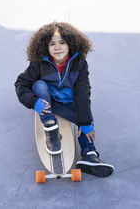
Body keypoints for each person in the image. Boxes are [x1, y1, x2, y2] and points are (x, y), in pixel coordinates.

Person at [14, 22, 114, 177]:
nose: (57, 47)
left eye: (62, 42)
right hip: (47, 103)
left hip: (67, 104)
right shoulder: (39, 64)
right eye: (52, 44)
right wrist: (34, 102)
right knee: (39, 85)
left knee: (86, 123)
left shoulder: (79, 64)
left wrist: (85, 121)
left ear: (71, 44)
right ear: (44, 47)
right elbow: (21, 84)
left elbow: (83, 93)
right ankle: (50, 126)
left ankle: (89, 155)